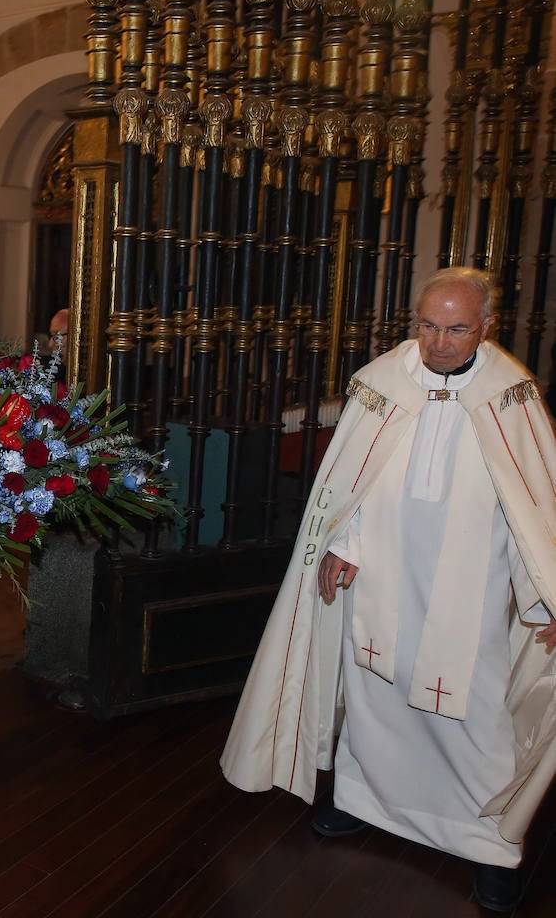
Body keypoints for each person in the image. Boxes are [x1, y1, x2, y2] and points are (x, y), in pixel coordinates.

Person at [221, 267, 556, 914]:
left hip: (473, 586)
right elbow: (355, 482)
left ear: (488, 326)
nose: (439, 342)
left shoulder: (512, 397)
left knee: (473, 711)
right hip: (386, 575)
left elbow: (535, 510)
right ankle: (364, 803)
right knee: (376, 692)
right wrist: (346, 544)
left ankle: (489, 845)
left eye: (457, 328)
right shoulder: (382, 385)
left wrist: (544, 594)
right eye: (427, 325)